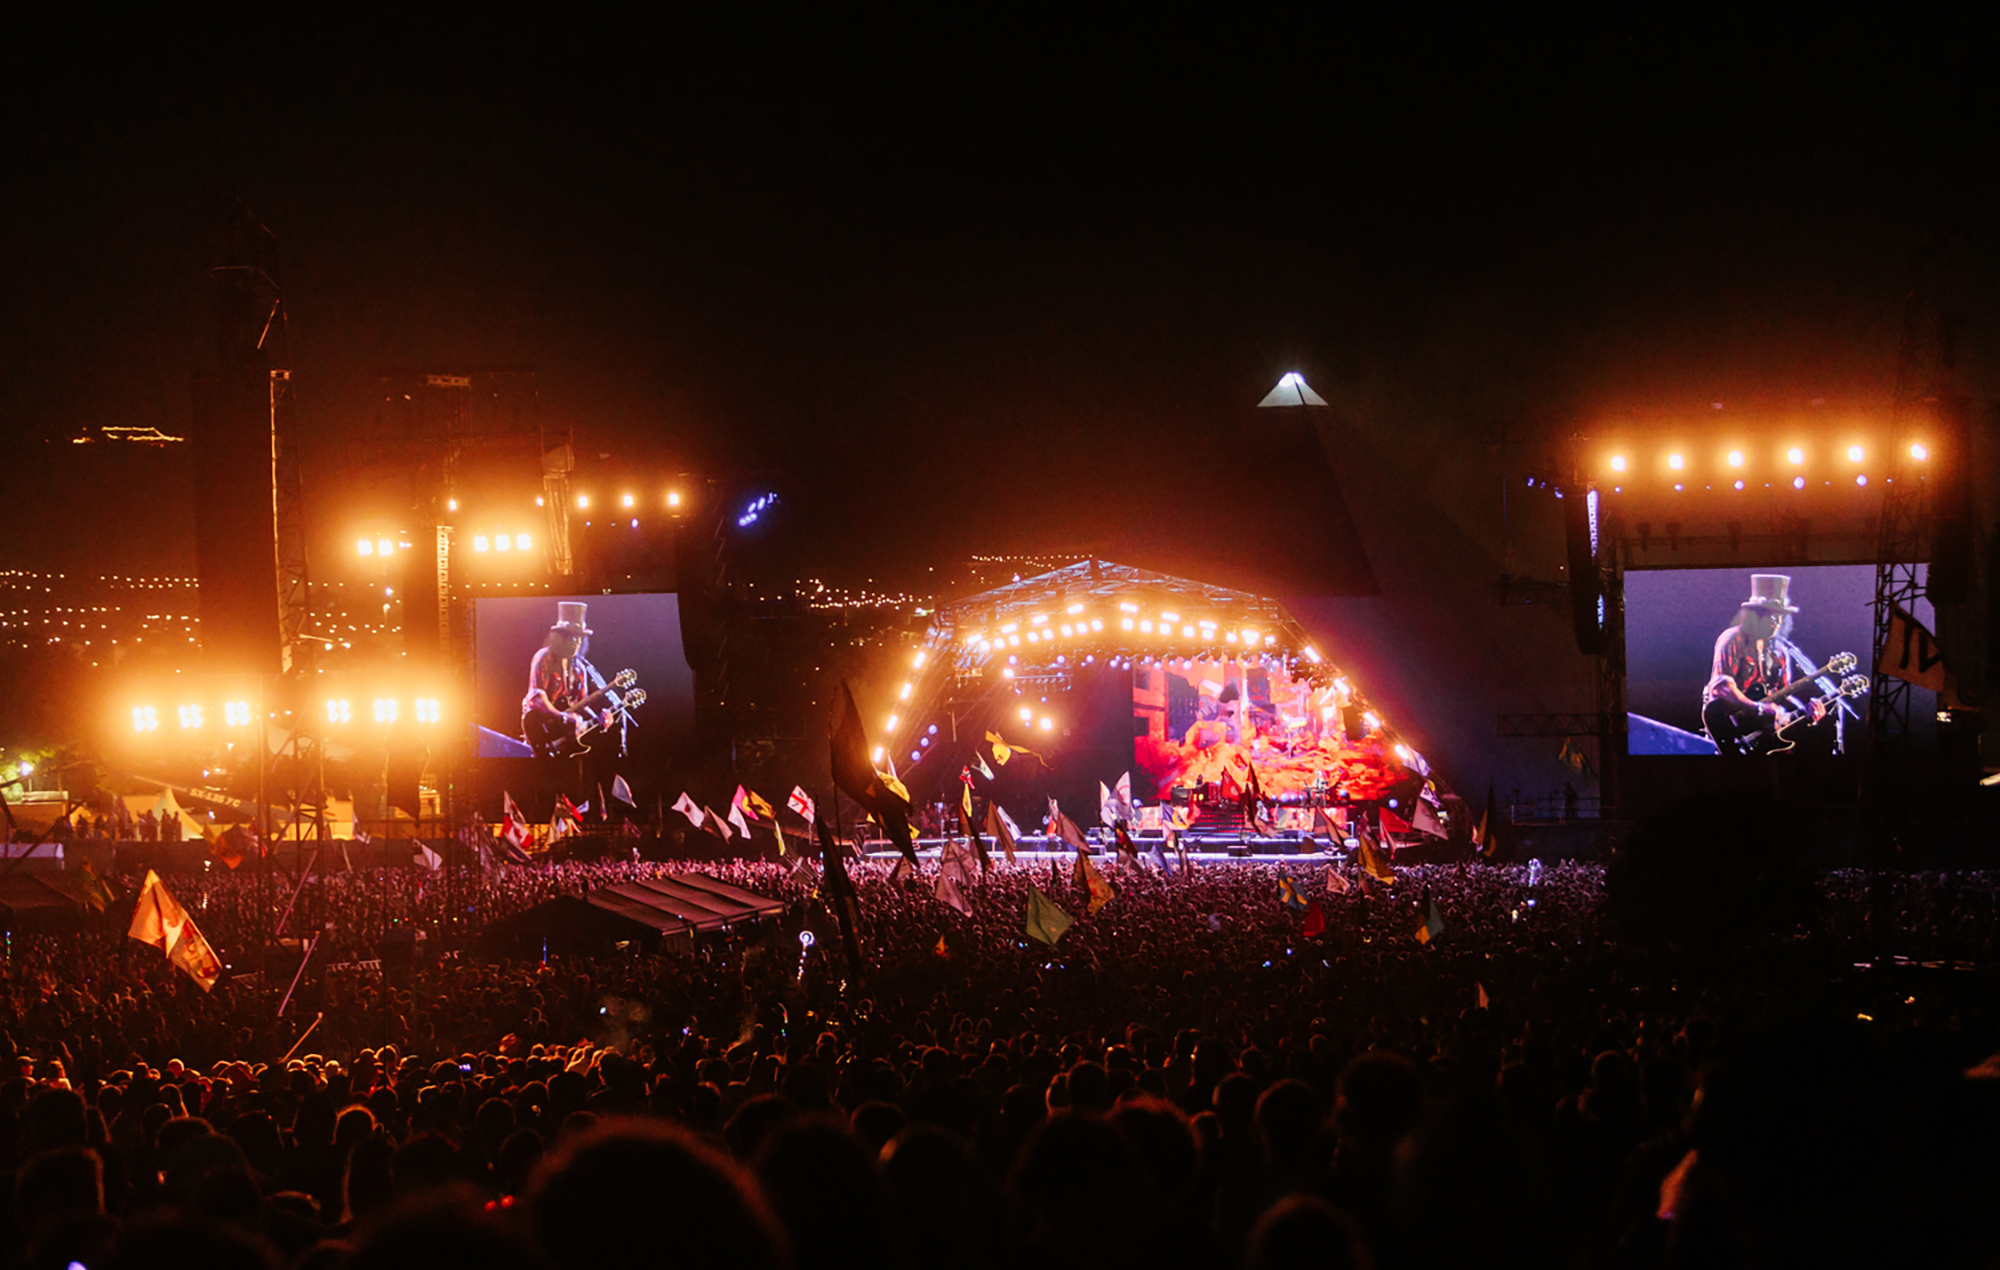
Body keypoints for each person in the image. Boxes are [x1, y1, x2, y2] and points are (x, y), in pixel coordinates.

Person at [1703, 574, 1826, 748]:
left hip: (1761, 733)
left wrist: (1807, 711)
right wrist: (1758, 708)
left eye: (1780, 616)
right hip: (1729, 730)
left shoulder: (1779, 652)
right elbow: (1721, 689)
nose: (1777, 621)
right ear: (1755, 615)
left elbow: (1782, 696)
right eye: (1771, 615)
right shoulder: (1732, 639)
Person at [520, 603, 615, 758]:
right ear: (560, 638)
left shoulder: (579, 668)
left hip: (563, 735)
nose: (577, 643)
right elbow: (536, 698)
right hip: (540, 729)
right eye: (572, 637)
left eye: (580, 638)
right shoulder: (544, 657)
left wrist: (599, 719)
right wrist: (562, 717)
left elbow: (581, 705)